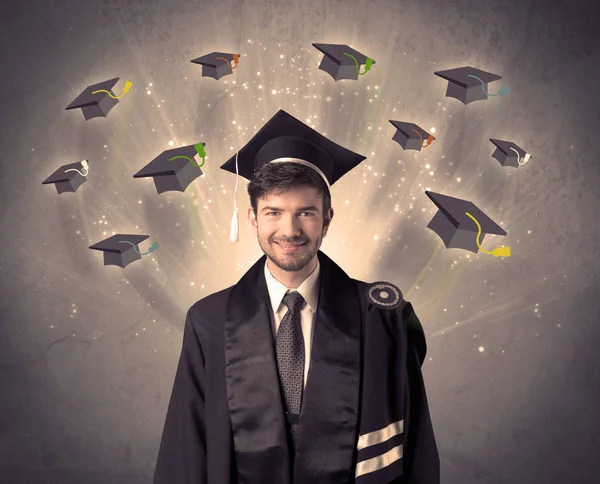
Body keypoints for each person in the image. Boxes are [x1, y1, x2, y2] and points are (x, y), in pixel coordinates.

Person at [154, 110, 440, 484]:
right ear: (254, 217)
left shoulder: (381, 318)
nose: (289, 231)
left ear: (327, 218)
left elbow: (415, 447)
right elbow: (186, 448)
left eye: (305, 212)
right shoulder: (209, 321)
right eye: (274, 212)